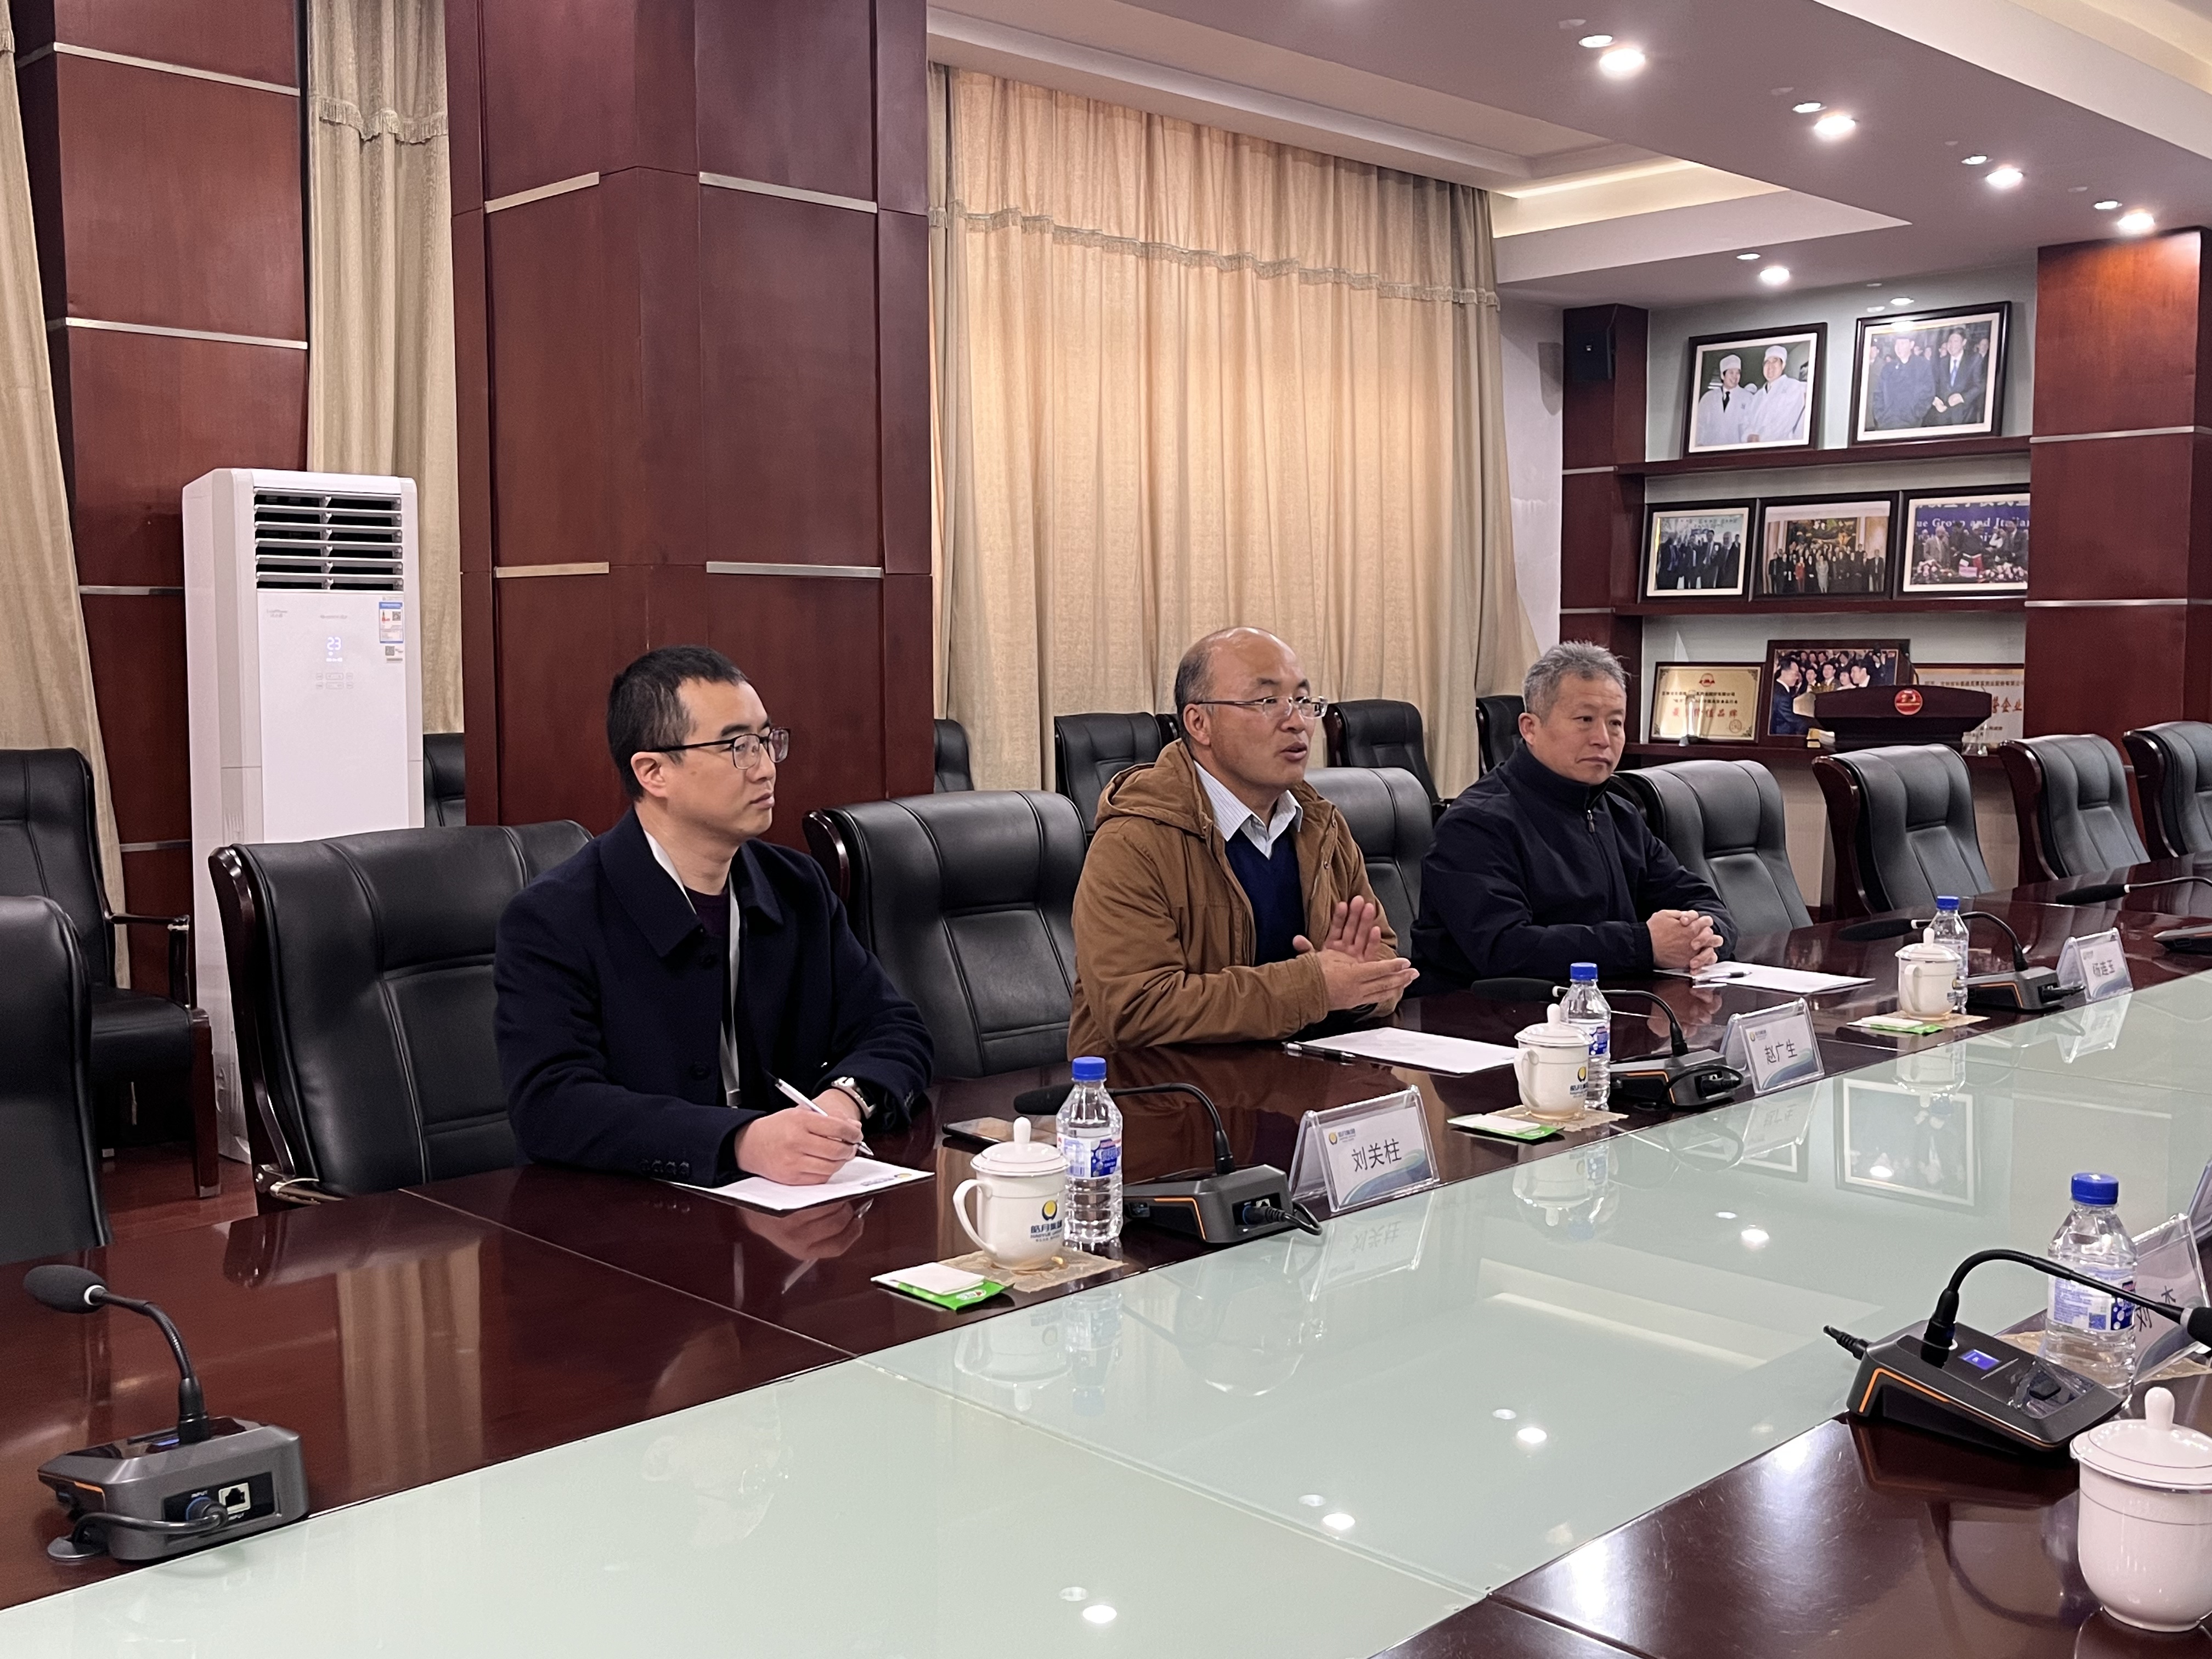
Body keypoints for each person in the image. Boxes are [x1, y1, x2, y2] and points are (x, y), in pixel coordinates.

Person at [495, 646, 933, 1186]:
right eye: (738, 747)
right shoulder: (554, 917)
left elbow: (894, 1027)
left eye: (767, 741)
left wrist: (844, 1100)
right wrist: (740, 1141)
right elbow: (552, 1106)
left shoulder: (796, 887)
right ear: (653, 772)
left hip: (788, 1203)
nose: (766, 768)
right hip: (624, 1212)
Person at [1067, 627, 1416, 1053]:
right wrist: (1313, 987)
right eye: (1267, 702)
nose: (1297, 722)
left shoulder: (1321, 825)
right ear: (1199, 723)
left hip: (1300, 1076)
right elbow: (1137, 1008)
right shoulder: (1134, 841)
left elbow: (1382, 957)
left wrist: (1357, 990)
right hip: (1168, 1088)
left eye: (1303, 702)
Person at [1411, 642, 1739, 988]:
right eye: (1585, 720)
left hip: (1609, 1004)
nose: (1603, 739)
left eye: (1615, 723)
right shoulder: (1476, 824)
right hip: (1488, 1013)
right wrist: (1644, 945)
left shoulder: (1619, 813)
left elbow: (1700, 899)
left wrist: (1706, 936)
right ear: (1530, 728)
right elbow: (1505, 948)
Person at [1744, 343, 1809, 444]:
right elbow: (1746, 420)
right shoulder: (1757, 396)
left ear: (1783, 365)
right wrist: (1748, 436)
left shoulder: (1793, 387)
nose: (1770, 366)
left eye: (1775, 361)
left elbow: (1785, 421)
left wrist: (1761, 438)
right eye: (1767, 362)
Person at [1871, 332, 1931, 431]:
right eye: (1897, 344)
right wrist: (1880, 416)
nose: (1899, 348)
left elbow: (1928, 394)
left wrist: (1916, 415)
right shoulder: (1888, 368)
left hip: (1911, 425)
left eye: (1903, 343)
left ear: (1911, 345)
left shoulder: (1922, 365)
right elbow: (1878, 394)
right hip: (1887, 424)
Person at [1693, 354, 1754, 447]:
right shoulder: (1708, 398)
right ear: (1723, 375)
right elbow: (1700, 425)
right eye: (1731, 373)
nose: (1735, 377)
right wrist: (1699, 445)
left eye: (1738, 373)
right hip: (1711, 450)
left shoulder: (1748, 398)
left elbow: (1750, 426)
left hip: (1736, 451)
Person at [1928, 327, 1984, 426]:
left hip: (1965, 417)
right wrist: (1936, 400)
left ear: (1964, 342)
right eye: (1950, 341)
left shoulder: (1974, 359)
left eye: (1956, 341)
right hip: (1943, 417)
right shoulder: (1941, 362)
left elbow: (1979, 385)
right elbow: (1933, 385)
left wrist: (1963, 397)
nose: (1952, 345)